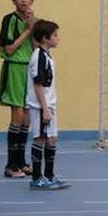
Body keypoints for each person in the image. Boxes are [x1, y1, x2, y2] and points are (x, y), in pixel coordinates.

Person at [0, 0, 37, 178]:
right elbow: (9, 50)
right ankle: (10, 165)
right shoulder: (9, 20)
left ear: (32, 0)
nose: (23, 0)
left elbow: (38, 47)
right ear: (14, 0)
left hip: (30, 69)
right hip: (14, 67)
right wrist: (27, 31)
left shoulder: (34, 22)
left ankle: (21, 162)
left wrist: (33, 27)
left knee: (27, 118)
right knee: (18, 115)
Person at [26, 19, 70, 190]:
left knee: (52, 139)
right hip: (40, 106)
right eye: (55, 35)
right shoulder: (38, 57)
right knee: (40, 139)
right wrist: (44, 109)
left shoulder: (47, 56)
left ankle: (49, 175)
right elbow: (38, 84)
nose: (57, 38)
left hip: (49, 103)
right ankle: (37, 178)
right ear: (45, 38)